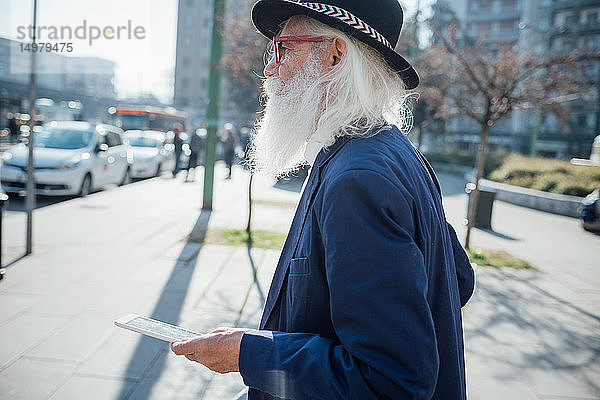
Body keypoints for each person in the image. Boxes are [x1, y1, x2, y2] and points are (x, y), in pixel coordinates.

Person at [171, 1, 475, 399]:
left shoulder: (358, 177)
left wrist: (250, 353)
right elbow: (456, 280)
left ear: (335, 54)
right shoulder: (390, 151)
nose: (269, 69)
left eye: (283, 49)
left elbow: (392, 381)